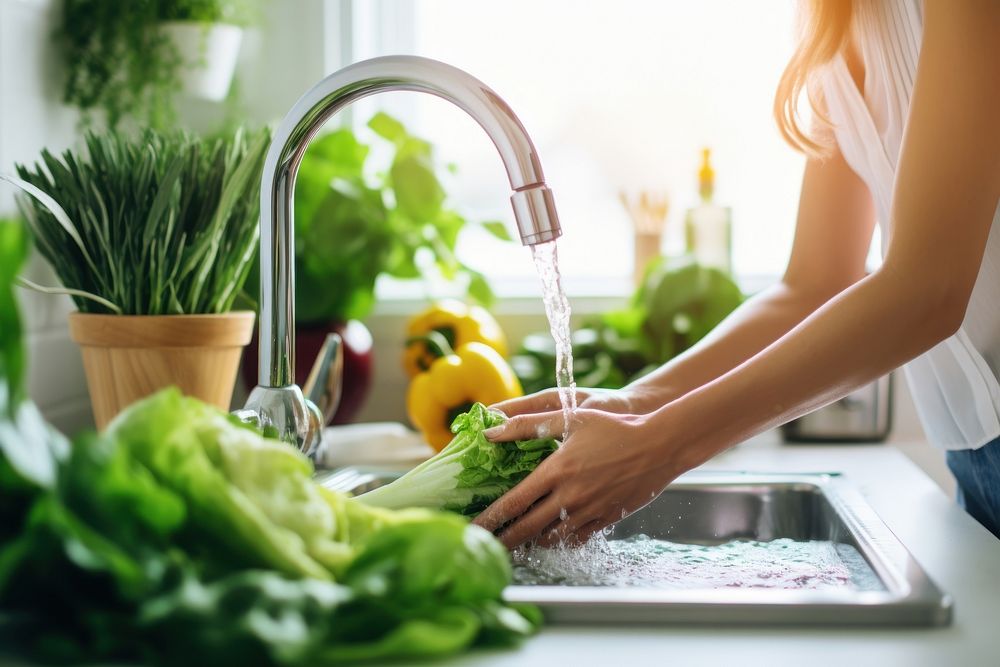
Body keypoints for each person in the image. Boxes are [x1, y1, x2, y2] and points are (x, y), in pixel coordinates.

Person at [473, 0, 1000, 546]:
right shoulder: (840, 20)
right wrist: (636, 403)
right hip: (974, 462)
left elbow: (927, 288)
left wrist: (660, 444)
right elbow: (815, 283)